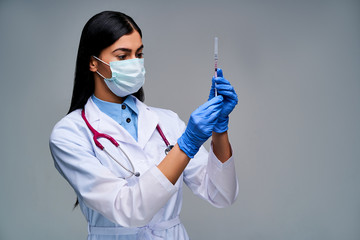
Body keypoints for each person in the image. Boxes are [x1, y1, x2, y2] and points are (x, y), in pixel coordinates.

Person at [49, 11, 239, 240]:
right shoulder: (69, 134)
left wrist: (219, 132)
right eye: (122, 56)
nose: (135, 64)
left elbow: (221, 195)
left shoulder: (167, 122)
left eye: (139, 54)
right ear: (93, 62)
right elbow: (127, 209)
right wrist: (186, 145)